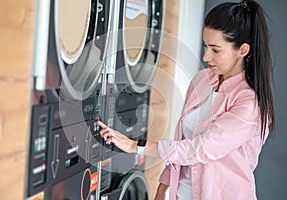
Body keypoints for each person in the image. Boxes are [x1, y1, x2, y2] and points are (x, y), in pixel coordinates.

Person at [97, 0, 275, 199]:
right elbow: (182, 141)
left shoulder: (250, 104)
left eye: (216, 50)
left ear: (242, 50)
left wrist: (134, 146)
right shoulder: (202, 80)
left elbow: (200, 148)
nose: (206, 57)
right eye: (205, 46)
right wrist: (164, 185)